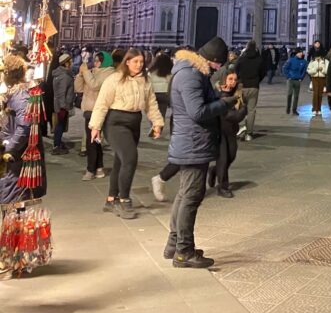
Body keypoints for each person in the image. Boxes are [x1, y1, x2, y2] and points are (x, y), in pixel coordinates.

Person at [164, 37, 236, 267]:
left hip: (191, 140)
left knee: (185, 194)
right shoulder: (191, 74)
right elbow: (197, 112)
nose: (218, 69)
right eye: (218, 65)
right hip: (193, 142)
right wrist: (225, 103)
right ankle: (184, 251)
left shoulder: (190, 71)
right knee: (191, 196)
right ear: (212, 60)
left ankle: (174, 244)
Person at [90, 48, 164, 218]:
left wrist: (157, 123)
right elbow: (102, 103)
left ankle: (110, 199)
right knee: (130, 158)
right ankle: (124, 200)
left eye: (141, 61)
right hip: (115, 122)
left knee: (120, 161)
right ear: (127, 62)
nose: (139, 64)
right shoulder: (114, 79)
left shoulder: (145, 80)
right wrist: (95, 126)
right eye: (135, 61)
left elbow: (151, 103)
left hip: (134, 123)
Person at [0, 54, 50, 276]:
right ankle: (13, 257)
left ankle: (14, 259)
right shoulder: (16, 94)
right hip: (14, 159)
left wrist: (10, 149)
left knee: (13, 207)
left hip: (18, 162)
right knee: (12, 207)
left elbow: (24, 126)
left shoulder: (20, 96)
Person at [208, 70, 246, 198]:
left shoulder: (238, 95)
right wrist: (242, 111)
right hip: (219, 132)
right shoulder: (218, 95)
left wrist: (242, 110)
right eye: (230, 79)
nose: (233, 82)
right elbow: (231, 116)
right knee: (223, 160)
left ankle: (214, 170)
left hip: (231, 132)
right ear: (224, 79)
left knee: (231, 156)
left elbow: (240, 111)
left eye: (235, 79)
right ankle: (223, 187)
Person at [79, 51, 114, 180]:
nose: (95, 63)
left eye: (98, 61)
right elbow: (78, 88)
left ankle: (90, 169)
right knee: (96, 140)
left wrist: (86, 73)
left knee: (91, 141)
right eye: (95, 61)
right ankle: (99, 167)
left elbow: (94, 85)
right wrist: (80, 74)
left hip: (98, 110)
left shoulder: (109, 73)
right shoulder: (94, 72)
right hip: (89, 110)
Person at [235, 40, 266, 139]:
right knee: (251, 110)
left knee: (239, 108)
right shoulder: (259, 59)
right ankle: (249, 133)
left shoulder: (241, 58)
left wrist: (240, 79)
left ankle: (239, 129)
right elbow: (263, 72)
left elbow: (236, 69)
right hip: (254, 87)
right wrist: (257, 80)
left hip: (242, 86)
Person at [51, 51, 75, 153]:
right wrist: (63, 106)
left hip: (60, 104)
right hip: (62, 105)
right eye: (70, 61)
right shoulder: (65, 76)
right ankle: (57, 146)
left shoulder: (59, 73)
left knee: (59, 124)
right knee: (60, 125)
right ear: (66, 63)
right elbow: (61, 92)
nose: (72, 63)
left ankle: (58, 143)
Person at [148, 52, 173, 118]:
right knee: (162, 114)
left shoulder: (151, 71)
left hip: (153, 94)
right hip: (165, 94)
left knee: (153, 115)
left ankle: (154, 126)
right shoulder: (169, 72)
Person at [283, 48, 308, 114]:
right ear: (296, 53)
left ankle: (294, 109)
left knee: (296, 96)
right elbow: (285, 68)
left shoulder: (304, 62)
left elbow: (304, 71)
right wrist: (288, 77)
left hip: (298, 80)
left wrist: (301, 78)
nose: (301, 54)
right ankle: (288, 107)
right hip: (290, 80)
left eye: (301, 52)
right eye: (299, 53)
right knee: (289, 94)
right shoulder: (291, 60)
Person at [307, 50, 329, 117]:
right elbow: (308, 70)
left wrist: (322, 69)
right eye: (316, 56)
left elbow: (328, 70)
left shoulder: (325, 61)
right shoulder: (312, 61)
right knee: (315, 94)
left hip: (322, 79)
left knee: (320, 94)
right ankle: (314, 109)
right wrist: (315, 69)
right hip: (315, 78)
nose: (317, 58)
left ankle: (319, 109)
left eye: (318, 56)